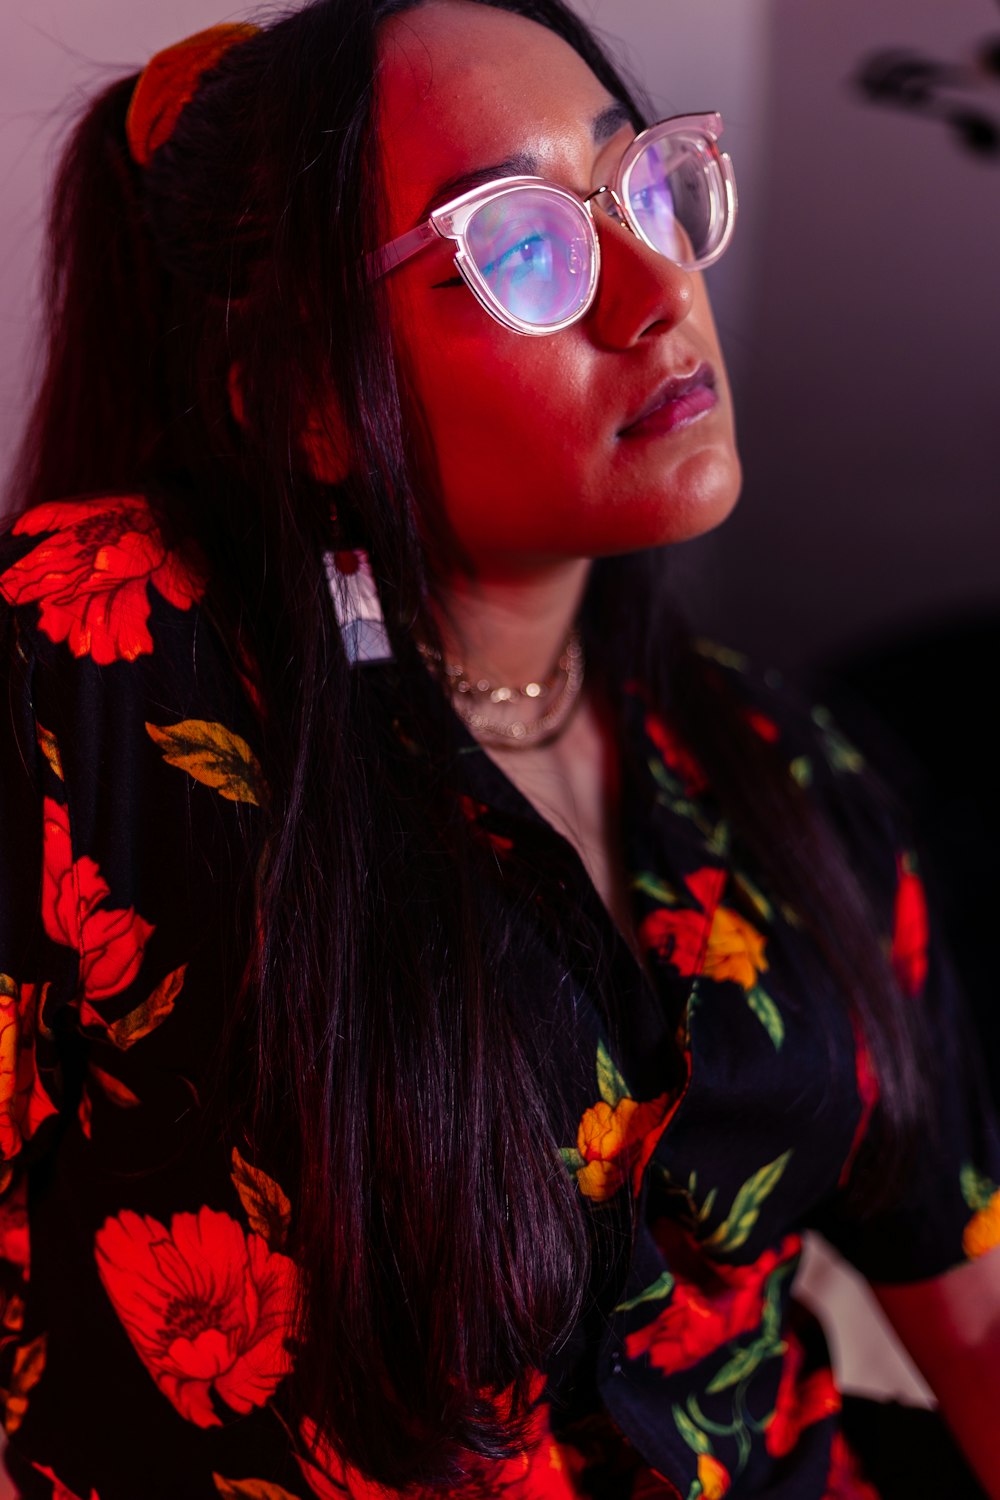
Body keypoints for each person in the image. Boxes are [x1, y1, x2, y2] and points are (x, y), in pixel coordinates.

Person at [0, 2, 998, 1496]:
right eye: (525, 245)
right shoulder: (109, 668)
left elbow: (970, 1304)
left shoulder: (790, 770)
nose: (658, 289)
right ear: (311, 402)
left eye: (645, 188)